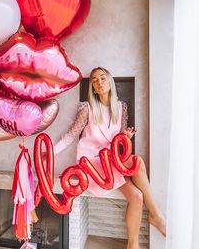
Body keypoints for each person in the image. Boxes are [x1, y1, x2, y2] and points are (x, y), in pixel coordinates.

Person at [54, 67, 166, 249]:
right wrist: (51, 152)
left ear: (110, 82)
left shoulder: (121, 107)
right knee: (136, 168)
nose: (99, 82)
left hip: (110, 159)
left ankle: (133, 244)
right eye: (95, 81)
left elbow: (118, 138)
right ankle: (156, 215)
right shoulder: (87, 108)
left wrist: (125, 137)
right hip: (92, 163)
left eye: (103, 78)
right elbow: (70, 136)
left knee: (137, 194)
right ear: (94, 88)